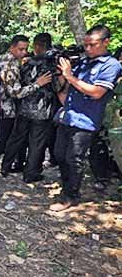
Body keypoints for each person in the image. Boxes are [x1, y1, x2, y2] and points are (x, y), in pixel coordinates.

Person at [50, 25, 122, 211]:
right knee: (59, 155)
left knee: (74, 158)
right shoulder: (83, 62)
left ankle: (71, 196)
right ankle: (67, 187)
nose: (88, 49)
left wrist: (70, 76)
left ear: (106, 42)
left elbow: (97, 92)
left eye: (93, 45)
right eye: (86, 45)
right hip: (68, 117)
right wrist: (60, 76)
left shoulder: (111, 65)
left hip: (86, 121)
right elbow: (67, 91)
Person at [0, 33, 57, 183]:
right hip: (42, 109)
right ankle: (30, 173)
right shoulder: (52, 64)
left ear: (36, 46)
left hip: (24, 107)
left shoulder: (26, 63)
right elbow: (58, 86)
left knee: (17, 138)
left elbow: (20, 81)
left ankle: (5, 166)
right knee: (36, 143)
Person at [0, 35, 29, 199]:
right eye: (21, 49)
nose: (24, 53)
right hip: (4, 112)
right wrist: (38, 84)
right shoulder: (9, 63)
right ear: (12, 47)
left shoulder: (1, 59)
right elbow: (15, 92)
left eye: (25, 49)